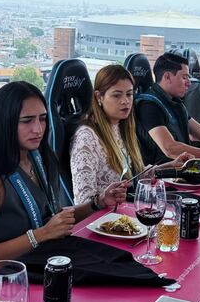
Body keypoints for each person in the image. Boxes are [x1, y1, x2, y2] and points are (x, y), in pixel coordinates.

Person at [0, 82, 127, 262]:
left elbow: (55, 219)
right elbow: (46, 230)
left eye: (43, 118)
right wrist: (40, 235)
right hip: (11, 279)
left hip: (48, 260)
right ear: (4, 121)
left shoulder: (41, 159)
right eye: (27, 121)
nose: (37, 129)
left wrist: (97, 203)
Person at [69, 65, 176, 205]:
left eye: (129, 94)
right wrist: (102, 200)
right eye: (117, 95)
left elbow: (133, 175)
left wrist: (171, 166)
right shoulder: (86, 138)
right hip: (102, 220)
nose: (125, 101)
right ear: (99, 97)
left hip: (124, 209)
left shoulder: (120, 126)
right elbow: (82, 202)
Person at [135, 53, 200, 165]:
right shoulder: (149, 106)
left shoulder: (175, 102)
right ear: (167, 77)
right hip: (162, 177)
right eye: (184, 77)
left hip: (182, 170)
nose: (189, 83)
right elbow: (170, 148)